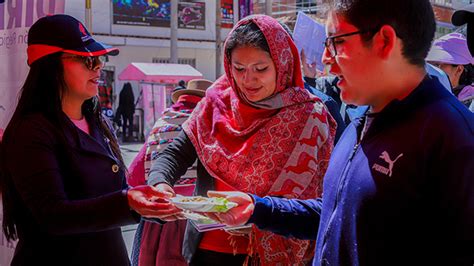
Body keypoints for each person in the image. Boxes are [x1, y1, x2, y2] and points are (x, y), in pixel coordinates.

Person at [204, 1, 474, 265]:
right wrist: (259, 209)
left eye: (337, 42)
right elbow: (338, 213)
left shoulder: (452, 136)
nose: (324, 59)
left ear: (385, 41)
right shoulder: (361, 119)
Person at [149, 14, 336, 265]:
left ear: (283, 64)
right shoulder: (215, 103)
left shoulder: (308, 116)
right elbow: (175, 154)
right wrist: (160, 184)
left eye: (261, 69)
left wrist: (261, 213)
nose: (248, 80)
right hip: (208, 249)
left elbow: (326, 197)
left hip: (272, 252)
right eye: (239, 69)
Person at [0, 14, 180, 265]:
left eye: (99, 59)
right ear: (50, 65)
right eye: (86, 59)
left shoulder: (98, 122)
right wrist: (128, 202)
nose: (98, 67)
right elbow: (52, 215)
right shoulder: (30, 132)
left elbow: (110, 199)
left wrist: (149, 205)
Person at [128, 78, 212, 266]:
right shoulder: (205, 121)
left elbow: (134, 174)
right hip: (194, 220)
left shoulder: (163, 120)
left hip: (158, 215)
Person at [427, 33, 474, 111]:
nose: (431, 70)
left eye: (437, 65)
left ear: (459, 70)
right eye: (429, 65)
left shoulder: (470, 106)